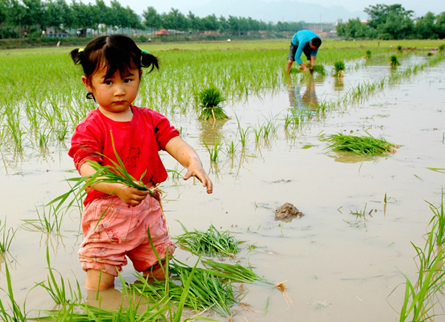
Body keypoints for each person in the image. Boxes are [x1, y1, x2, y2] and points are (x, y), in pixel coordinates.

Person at [68, 34, 213, 290]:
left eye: (127, 79)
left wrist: (193, 161)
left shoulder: (150, 119)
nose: (120, 90)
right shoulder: (91, 128)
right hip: (106, 212)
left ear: (139, 77)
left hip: (147, 207)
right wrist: (116, 188)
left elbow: (174, 142)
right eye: (108, 81)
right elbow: (86, 167)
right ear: (88, 83)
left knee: (159, 273)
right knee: (100, 282)